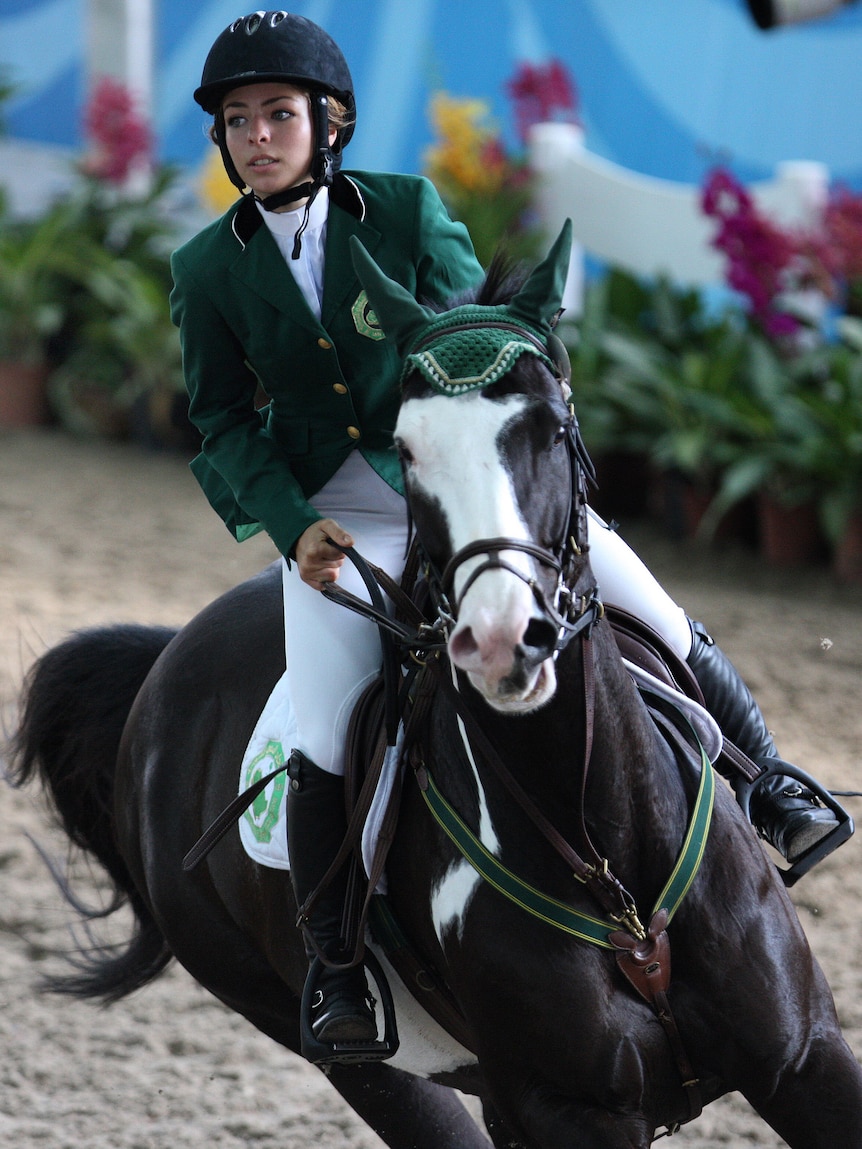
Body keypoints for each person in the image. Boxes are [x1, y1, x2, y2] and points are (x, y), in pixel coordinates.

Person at [172, 10, 844, 1057]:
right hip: (340, 519)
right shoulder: (208, 268)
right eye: (239, 120)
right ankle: (339, 969)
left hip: (464, 481)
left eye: (279, 115)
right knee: (320, 722)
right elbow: (215, 421)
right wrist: (292, 525)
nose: (258, 136)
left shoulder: (403, 209)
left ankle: (772, 784)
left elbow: (479, 335)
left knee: (642, 600)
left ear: (327, 123)